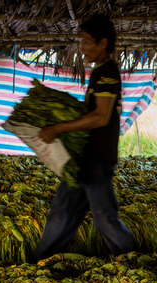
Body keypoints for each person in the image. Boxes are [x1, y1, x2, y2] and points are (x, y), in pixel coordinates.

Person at [31, 14, 138, 262]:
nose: (83, 47)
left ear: (102, 43)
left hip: (97, 159)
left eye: (87, 41)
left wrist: (59, 127)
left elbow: (100, 117)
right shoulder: (100, 72)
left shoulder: (107, 72)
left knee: (104, 219)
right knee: (62, 212)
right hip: (86, 158)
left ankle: (138, 262)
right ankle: (39, 263)